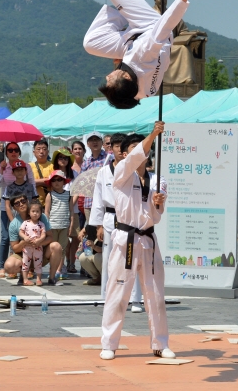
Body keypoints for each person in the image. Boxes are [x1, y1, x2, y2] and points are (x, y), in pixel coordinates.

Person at [100, 122, 174, 361]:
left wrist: (159, 202)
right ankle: (109, 343)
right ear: (125, 153)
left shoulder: (157, 179)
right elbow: (134, 158)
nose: (137, 152)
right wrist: (153, 134)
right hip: (126, 241)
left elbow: (157, 214)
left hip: (148, 240)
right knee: (118, 292)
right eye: (132, 148)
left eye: (140, 148)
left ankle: (160, 343)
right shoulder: (121, 172)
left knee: (155, 294)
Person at [90, 132, 145, 312]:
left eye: (124, 146)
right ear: (110, 148)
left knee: (134, 258)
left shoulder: (136, 170)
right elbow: (98, 200)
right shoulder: (104, 172)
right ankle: (108, 297)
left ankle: (136, 299)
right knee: (109, 259)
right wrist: (97, 224)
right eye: (116, 146)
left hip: (130, 218)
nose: (120, 149)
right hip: (110, 217)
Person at [0, 142, 36, 279]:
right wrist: (1, 169)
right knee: (6, 237)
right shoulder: (3, 167)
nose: (13, 152)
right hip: (8, 210)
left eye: (16, 150)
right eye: (10, 150)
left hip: (26, 211)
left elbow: (31, 185)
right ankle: (3, 266)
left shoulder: (26, 166)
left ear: (19, 152)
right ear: (6, 152)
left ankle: (26, 267)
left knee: (26, 238)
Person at [4, 193, 62, 285]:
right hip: (24, 254)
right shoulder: (14, 224)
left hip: (40, 252)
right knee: (8, 266)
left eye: (23, 201)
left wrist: (40, 243)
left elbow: (50, 236)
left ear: (27, 201)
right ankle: (23, 276)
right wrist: (24, 242)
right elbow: (14, 248)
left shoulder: (41, 216)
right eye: (17, 203)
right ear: (14, 208)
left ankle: (52, 278)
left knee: (57, 246)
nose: (21, 204)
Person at [44, 170, 74, 280]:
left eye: (59, 180)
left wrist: (71, 225)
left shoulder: (68, 195)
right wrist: (46, 226)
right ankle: (53, 269)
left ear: (64, 182)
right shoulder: (50, 195)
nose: (57, 182)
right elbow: (46, 212)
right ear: (51, 183)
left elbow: (71, 212)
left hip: (64, 225)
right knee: (54, 249)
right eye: (54, 180)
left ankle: (59, 269)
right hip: (52, 226)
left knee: (62, 249)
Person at [80, 131, 107, 223]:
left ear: (102, 143)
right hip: (89, 203)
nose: (94, 142)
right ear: (88, 144)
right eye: (91, 140)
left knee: (105, 235)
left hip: (105, 203)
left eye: (97, 140)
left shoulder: (109, 158)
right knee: (91, 234)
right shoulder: (86, 163)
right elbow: (82, 183)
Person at [19, 200, 46, 286]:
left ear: (41, 213)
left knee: (38, 263)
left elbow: (44, 234)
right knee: (25, 262)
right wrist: (25, 237)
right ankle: (25, 279)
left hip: (38, 247)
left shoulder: (41, 224)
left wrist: (39, 240)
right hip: (27, 247)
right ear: (29, 212)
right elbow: (21, 232)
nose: (35, 213)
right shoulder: (25, 223)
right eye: (33, 211)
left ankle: (38, 279)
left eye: (37, 211)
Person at [29, 138, 54, 207]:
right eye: (38, 149)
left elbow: (54, 183)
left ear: (48, 152)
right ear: (34, 152)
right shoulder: (29, 167)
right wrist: (46, 180)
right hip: (34, 205)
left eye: (44, 149)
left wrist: (36, 182)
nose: (41, 151)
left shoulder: (53, 166)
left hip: (50, 204)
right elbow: (28, 183)